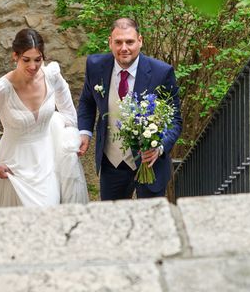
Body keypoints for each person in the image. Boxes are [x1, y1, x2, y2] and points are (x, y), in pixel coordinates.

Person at [0, 28, 88, 207]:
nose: (33, 66)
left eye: (38, 60)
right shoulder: (2, 90)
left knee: (49, 212)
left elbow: (67, 110)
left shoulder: (51, 77)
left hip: (46, 161)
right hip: (13, 166)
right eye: (26, 60)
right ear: (15, 56)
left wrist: (69, 137)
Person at [77, 18, 182, 200]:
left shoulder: (161, 73)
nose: (124, 48)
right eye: (118, 42)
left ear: (140, 41)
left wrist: (160, 147)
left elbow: (175, 120)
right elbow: (87, 101)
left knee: (149, 222)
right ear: (110, 42)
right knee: (115, 221)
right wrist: (84, 132)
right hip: (112, 163)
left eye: (129, 42)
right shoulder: (95, 66)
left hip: (150, 164)